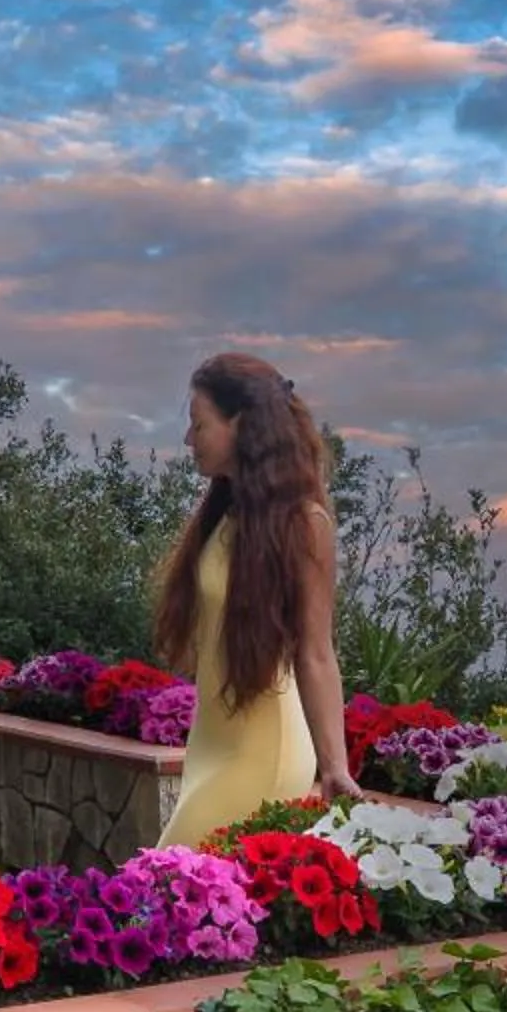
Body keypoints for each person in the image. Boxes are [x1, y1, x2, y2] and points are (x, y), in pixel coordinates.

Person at [153, 352, 359, 846]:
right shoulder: (225, 514)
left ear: (240, 425)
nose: (188, 440)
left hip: (262, 748)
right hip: (212, 741)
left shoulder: (304, 526)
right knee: (187, 903)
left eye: (198, 425)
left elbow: (315, 651)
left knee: (159, 887)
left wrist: (335, 767)